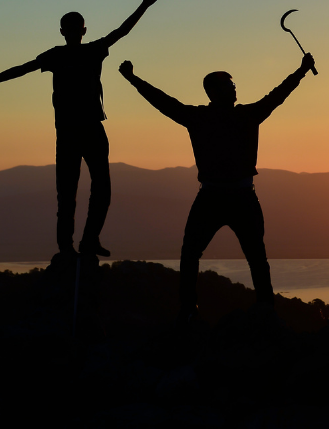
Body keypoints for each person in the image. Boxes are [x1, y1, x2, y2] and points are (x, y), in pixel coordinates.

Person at [0, 0, 166, 261]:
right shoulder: (84, 50)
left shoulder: (65, 54)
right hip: (82, 130)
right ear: (83, 30)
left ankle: (77, 243)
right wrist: (144, 6)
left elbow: (21, 70)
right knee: (91, 189)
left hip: (78, 131)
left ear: (66, 31)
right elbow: (121, 31)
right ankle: (80, 243)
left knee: (73, 192)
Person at [118, 52, 316, 321]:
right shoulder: (243, 115)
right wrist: (302, 70)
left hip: (214, 197)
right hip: (237, 197)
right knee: (253, 256)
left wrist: (133, 79)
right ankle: (260, 307)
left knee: (197, 254)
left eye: (234, 85)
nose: (234, 89)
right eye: (229, 85)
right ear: (214, 92)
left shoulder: (203, 117)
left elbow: (165, 103)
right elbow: (277, 96)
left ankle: (192, 310)